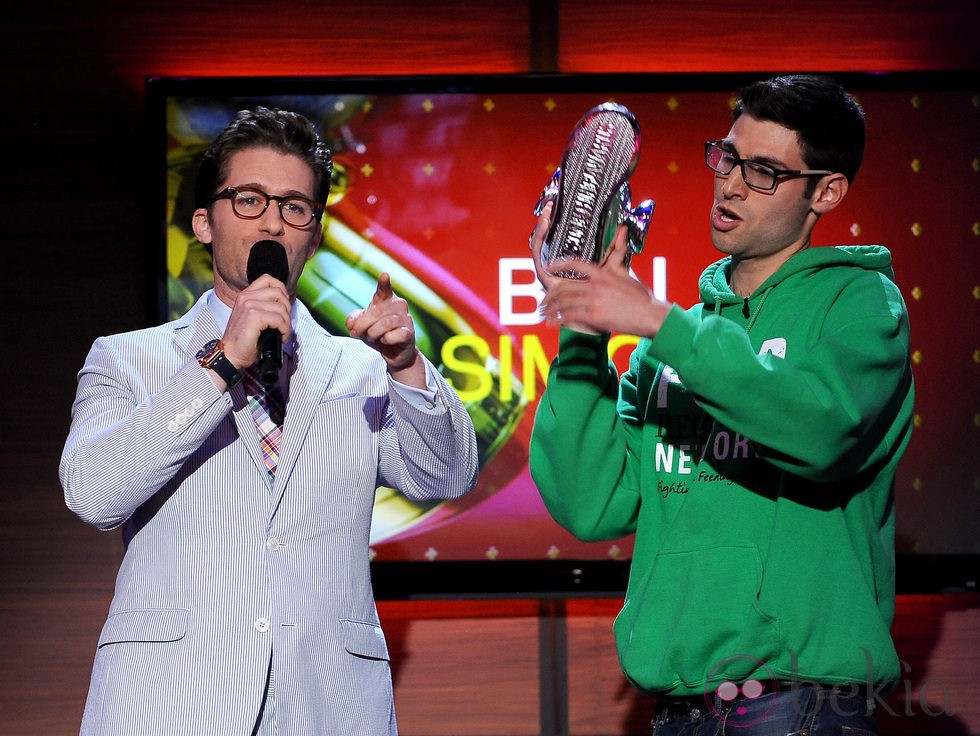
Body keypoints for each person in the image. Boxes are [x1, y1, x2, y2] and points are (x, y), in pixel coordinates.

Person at [60, 106, 479, 735]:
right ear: (203, 222)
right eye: (249, 200)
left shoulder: (358, 368)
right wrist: (224, 362)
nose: (273, 222)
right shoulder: (130, 358)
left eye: (294, 207)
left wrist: (407, 364)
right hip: (166, 705)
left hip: (329, 706)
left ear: (313, 233)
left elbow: (444, 475)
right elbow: (93, 494)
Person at [529, 75, 914, 735]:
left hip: (799, 704)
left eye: (764, 171)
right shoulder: (671, 345)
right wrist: (582, 326)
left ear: (826, 191)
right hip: (677, 711)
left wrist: (661, 322)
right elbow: (594, 506)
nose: (731, 183)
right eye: (728, 157)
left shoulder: (857, 304)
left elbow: (821, 429)